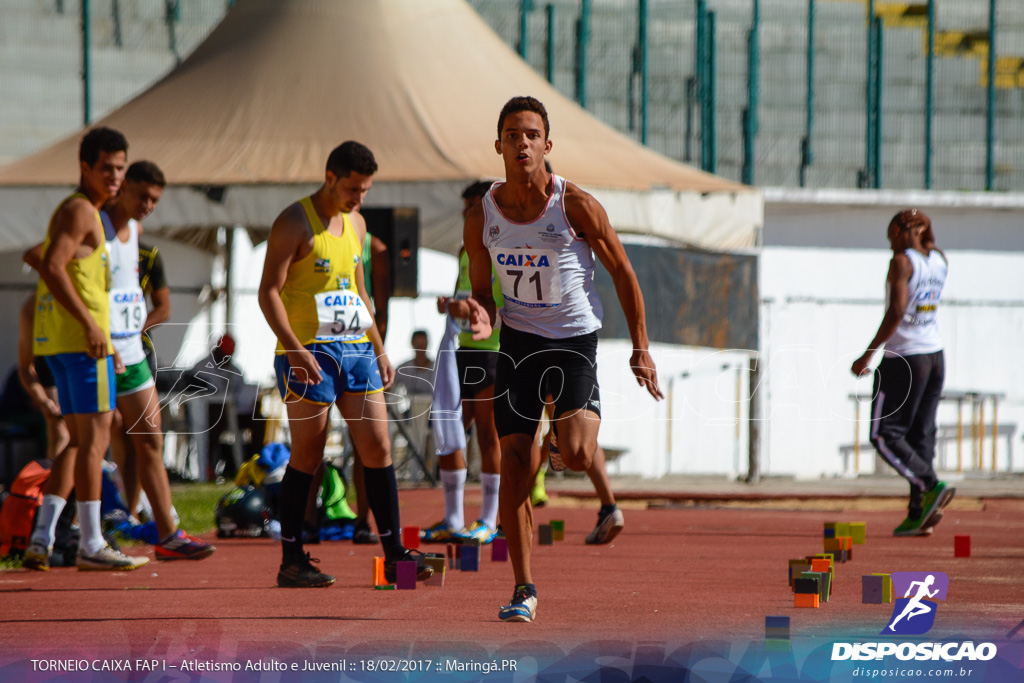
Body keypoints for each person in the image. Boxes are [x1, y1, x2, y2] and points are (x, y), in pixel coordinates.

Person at [464, 97, 664, 622]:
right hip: (519, 344)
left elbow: (623, 271)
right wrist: (481, 313)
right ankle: (523, 588)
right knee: (514, 468)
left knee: (576, 456)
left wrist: (640, 346)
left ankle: (557, 442)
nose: (522, 142)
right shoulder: (481, 215)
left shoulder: (574, 205)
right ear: (499, 145)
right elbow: (483, 292)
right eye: (513, 134)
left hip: (574, 341)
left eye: (532, 134)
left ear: (547, 145)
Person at [258, 140, 453, 587]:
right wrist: (293, 347)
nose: (358, 198)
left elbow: (359, 292)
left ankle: (395, 553)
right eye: (352, 189)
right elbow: (268, 292)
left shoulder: (358, 225)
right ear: (330, 178)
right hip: (310, 351)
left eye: (365, 190)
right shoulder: (293, 222)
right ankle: (292, 559)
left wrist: (380, 348)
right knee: (309, 450)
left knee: (378, 448)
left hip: (357, 350)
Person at [24, 160, 215, 569]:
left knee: (150, 441)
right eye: (141, 195)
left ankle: (167, 534)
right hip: (99, 349)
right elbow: (40, 257)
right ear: (121, 188)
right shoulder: (94, 222)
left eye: (154, 200)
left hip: (132, 351)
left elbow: (142, 294)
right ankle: (60, 534)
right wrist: (86, 321)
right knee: (85, 444)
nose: (147, 205)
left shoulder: (137, 234)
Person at [25, 127, 148, 571]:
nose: (115, 177)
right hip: (81, 345)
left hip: (68, 342)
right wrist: (92, 326)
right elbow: (52, 266)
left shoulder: (81, 211)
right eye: (107, 169)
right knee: (95, 441)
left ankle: (42, 536)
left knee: (78, 443)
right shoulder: (81, 211)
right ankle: (92, 542)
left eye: (120, 168)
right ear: (85, 168)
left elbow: (38, 257)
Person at [851, 209, 955, 537]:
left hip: (905, 358)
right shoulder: (939, 259)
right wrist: (926, 229)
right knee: (921, 434)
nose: (890, 244)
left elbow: (897, 309)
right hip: (935, 356)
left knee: (884, 434)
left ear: (902, 229)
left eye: (891, 236)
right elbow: (931, 242)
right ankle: (918, 513)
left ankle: (928, 483)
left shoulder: (902, 262)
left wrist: (868, 353)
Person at [423, 180, 504, 544]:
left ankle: (488, 519)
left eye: (475, 206)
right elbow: (465, 296)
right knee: (448, 432)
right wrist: (452, 306)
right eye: (465, 208)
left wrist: (468, 309)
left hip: (495, 349)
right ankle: (454, 517)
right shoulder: (464, 249)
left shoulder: (504, 248)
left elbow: (505, 306)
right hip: (460, 351)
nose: (468, 214)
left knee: (488, 434)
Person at [393, 330, 434, 398]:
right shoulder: (403, 368)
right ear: (412, 344)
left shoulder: (437, 368)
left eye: (423, 344)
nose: (420, 348)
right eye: (418, 344)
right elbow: (390, 385)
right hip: (410, 406)